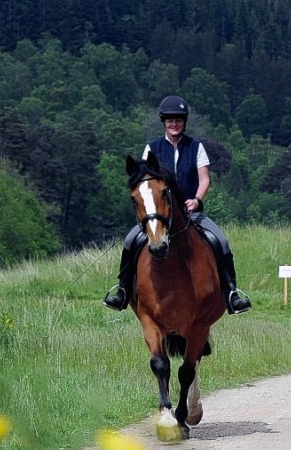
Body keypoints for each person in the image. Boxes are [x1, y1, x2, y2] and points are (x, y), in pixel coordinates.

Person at [104, 95, 251, 315]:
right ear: (164, 122)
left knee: (220, 241)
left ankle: (232, 293)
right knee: (130, 241)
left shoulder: (195, 147)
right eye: (170, 120)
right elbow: (145, 180)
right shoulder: (152, 148)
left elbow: (204, 179)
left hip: (190, 213)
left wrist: (197, 200)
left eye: (179, 120)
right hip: (160, 215)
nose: (175, 124)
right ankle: (122, 291)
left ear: (184, 122)